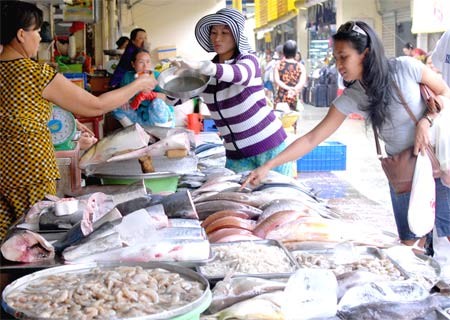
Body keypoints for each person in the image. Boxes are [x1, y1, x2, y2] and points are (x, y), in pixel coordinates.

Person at [243, 21, 450, 247]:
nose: (339, 65)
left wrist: (425, 121)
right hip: (402, 172)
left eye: (344, 57)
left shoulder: (405, 68)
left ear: (365, 54)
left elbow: (445, 92)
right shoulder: (353, 96)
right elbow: (312, 138)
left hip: (436, 164)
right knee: (410, 243)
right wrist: (268, 166)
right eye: (336, 58)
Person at [0, 1, 157, 240]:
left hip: (4, 170)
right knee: (34, 238)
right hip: (31, 171)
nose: (38, 39)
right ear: (21, 35)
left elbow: (18, 111)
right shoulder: (34, 73)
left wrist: (68, 120)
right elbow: (96, 106)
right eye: (36, 32)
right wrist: (138, 84)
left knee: (6, 240)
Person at [173, 8, 293, 175]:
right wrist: (169, 79)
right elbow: (175, 99)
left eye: (225, 32)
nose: (217, 38)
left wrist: (202, 66)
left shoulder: (248, 60)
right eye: (213, 32)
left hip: (270, 146)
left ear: (237, 36)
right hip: (236, 155)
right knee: (241, 199)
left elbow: (239, 75)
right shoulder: (206, 74)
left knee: (280, 195)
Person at [112, 48, 174, 127]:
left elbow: (169, 98)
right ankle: (135, 131)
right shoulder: (127, 76)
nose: (145, 66)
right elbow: (122, 95)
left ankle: (159, 133)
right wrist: (124, 99)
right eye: (141, 62)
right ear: (133, 64)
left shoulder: (157, 76)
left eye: (148, 62)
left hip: (160, 117)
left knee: (157, 103)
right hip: (140, 115)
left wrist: (150, 95)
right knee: (116, 106)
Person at [274, 40, 307, 112]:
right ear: (295, 52)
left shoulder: (278, 65)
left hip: (281, 97)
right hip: (293, 97)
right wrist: (293, 89)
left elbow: (276, 80)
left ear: (284, 52)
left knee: (279, 120)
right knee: (292, 119)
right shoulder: (300, 66)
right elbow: (302, 81)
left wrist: (287, 88)